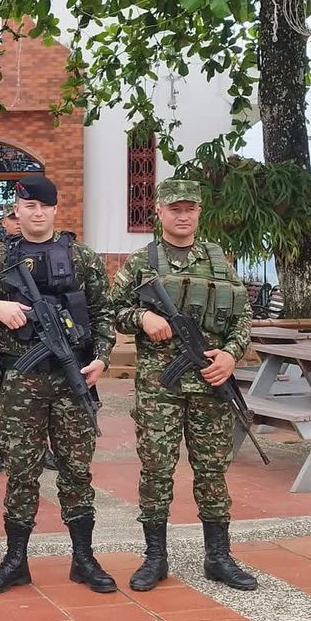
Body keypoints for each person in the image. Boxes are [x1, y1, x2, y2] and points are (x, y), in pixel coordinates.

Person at [0, 174, 118, 594]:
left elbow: (105, 313)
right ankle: (16, 561)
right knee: (21, 471)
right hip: (21, 379)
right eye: (27, 206)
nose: (35, 213)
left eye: (43, 207)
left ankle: (83, 558)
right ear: (18, 209)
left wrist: (101, 357)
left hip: (73, 379)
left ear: (53, 210)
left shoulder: (81, 257)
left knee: (76, 470)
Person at [110, 178, 257, 592]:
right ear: (159, 212)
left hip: (211, 384)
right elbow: (112, 310)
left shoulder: (218, 260)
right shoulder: (142, 261)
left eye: (189, 208)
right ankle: (155, 557)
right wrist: (142, 318)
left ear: (198, 213)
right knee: (156, 470)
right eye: (174, 208)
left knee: (213, 471)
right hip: (161, 387)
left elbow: (243, 316)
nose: (182, 215)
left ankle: (219, 557)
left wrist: (231, 355)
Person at [0, 210, 58, 476]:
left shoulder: (55, 252)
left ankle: (44, 448)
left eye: (19, 218)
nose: (17, 222)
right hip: (6, 345)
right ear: (4, 222)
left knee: (46, 401)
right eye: (12, 218)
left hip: (44, 344)